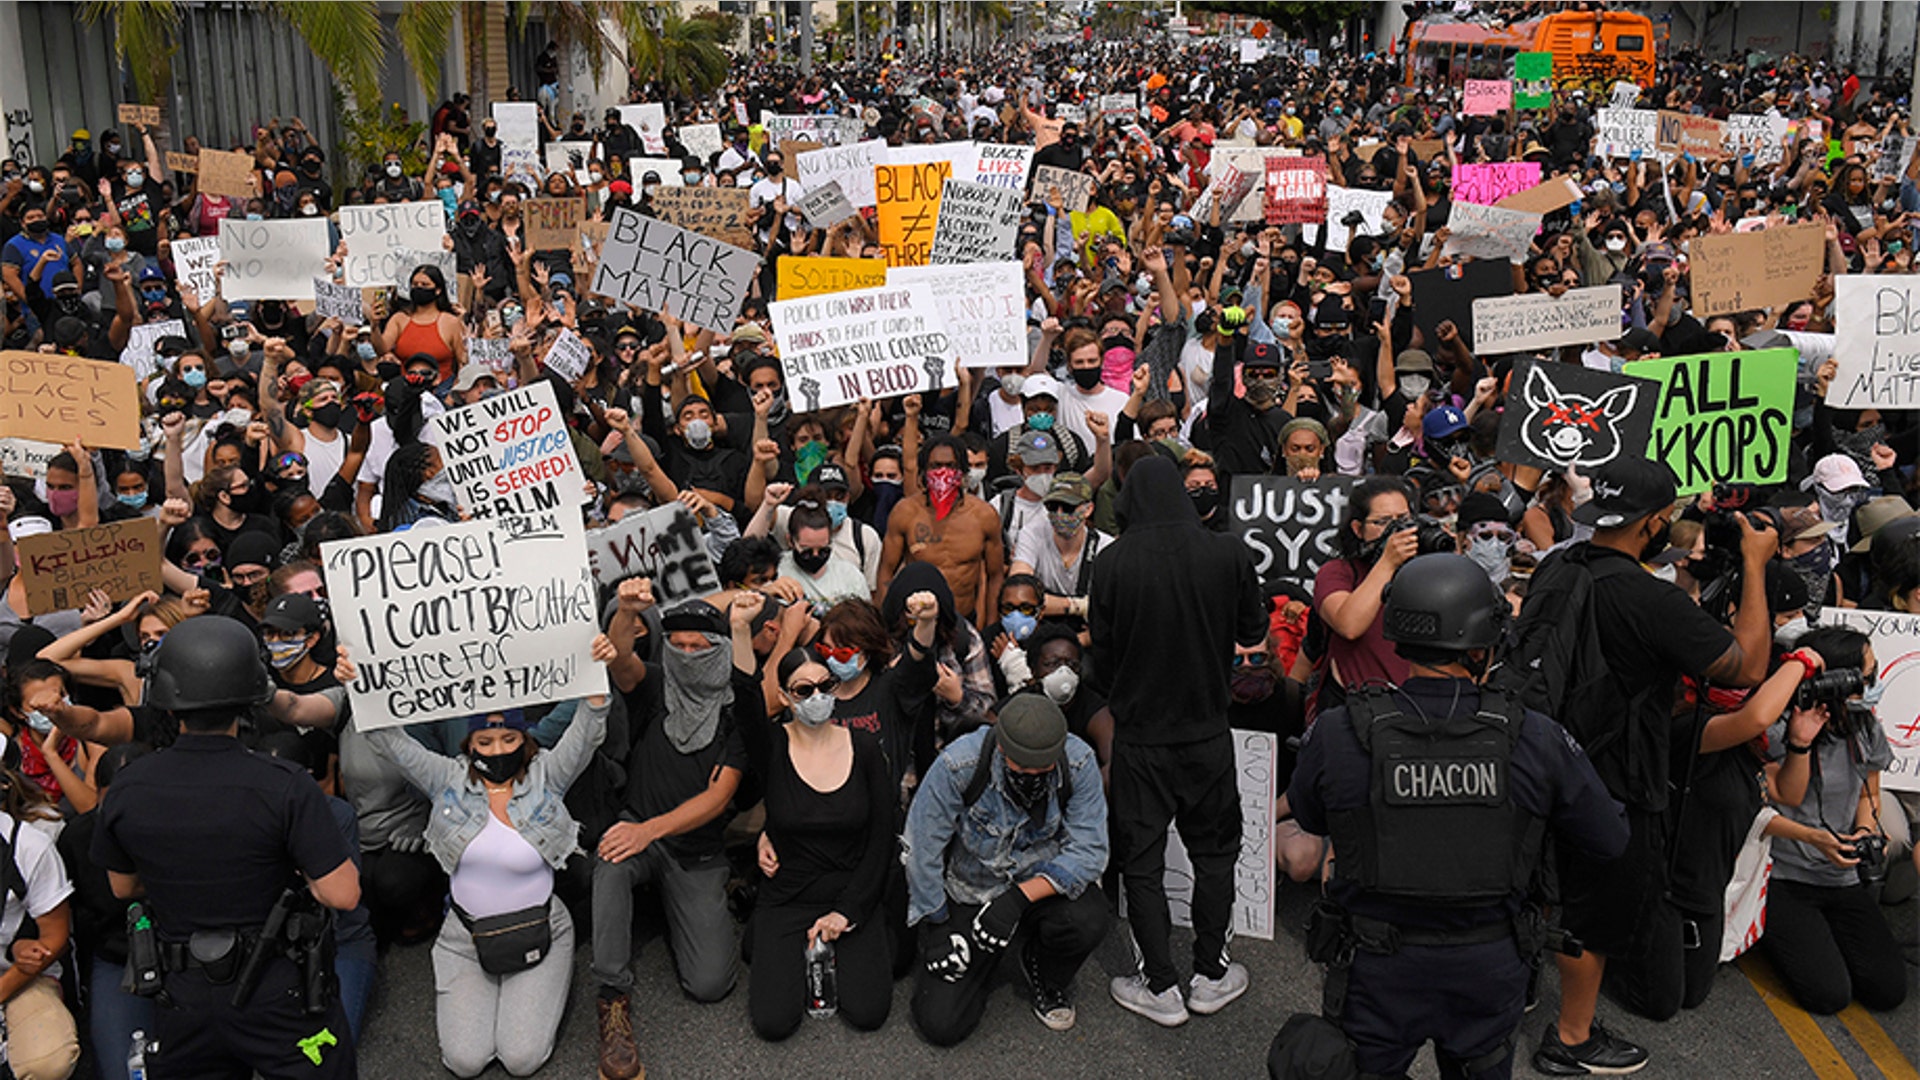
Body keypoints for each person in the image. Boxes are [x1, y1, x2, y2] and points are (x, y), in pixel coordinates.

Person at [1278, 553, 1628, 1080]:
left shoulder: (1338, 730)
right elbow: (1609, 838)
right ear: (1486, 641)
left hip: (1376, 965)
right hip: (1488, 966)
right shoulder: (1534, 735)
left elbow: (1308, 814)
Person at [1512, 457, 1774, 1076]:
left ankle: (1518, 987)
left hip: (1545, 756)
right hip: (1617, 778)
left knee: (1545, 888)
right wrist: (1757, 567)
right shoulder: (1649, 598)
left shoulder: (1558, 565)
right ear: (1654, 523)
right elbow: (1746, 666)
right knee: (1594, 912)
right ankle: (1571, 1039)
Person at [87, 616, 360, 1078]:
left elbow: (122, 887)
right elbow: (342, 894)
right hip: (278, 987)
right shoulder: (284, 785)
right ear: (250, 694)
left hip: (181, 991)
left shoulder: (129, 786)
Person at [351, 635, 612, 1078]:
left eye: (508, 738)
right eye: (485, 741)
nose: (497, 750)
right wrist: (360, 684)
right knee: (465, 1061)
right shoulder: (445, 779)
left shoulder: (548, 775)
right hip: (465, 937)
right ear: (470, 744)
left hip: (539, 928)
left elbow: (588, 728)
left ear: (523, 739)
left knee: (521, 1059)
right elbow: (389, 741)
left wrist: (597, 677)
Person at [1092, 455, 1266, 1026]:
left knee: (1141, 864)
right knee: (1215, 855)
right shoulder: (1228, 552)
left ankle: (1160, 984)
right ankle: (1211, 974)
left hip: (1140, 739)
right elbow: (1252, 631)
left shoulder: (1112, 561)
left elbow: (1105, 656)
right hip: (1208, 735)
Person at [593, 593, 767, 1080]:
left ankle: (678, 907)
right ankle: (612, 999)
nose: (688, 655)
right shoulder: (656, 685)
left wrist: (651, 830)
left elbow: (718, 798)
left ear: (719, 647)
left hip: (697, 851)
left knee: (710, 984)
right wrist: (627, 611)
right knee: (610, 862)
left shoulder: (737, 710)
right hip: (639, 829)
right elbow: (623, 660)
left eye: (700, 646)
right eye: (679, 645)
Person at [904, 693, 1109, 1045]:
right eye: (1020, 767)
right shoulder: (959, 764)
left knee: (1089, 918)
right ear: (1000, 749)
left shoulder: (1079, 763)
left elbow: (1090, 851)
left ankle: (1042, 969)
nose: (1031, 776)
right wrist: (936, 924)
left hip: (1039, 886)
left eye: (1042, 770)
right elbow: (921, 848)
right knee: (941, 1024)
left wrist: (1016, 900)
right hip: (973, 888)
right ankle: (986, 958)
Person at [1757, 625, 1908, 1016]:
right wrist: (1800, 743)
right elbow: (1773, 804)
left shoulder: (1863, 726)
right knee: (1828, 996)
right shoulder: (1776, 727)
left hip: (1839, 876)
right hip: (1784, 876)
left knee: (1887, 990)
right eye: (1866, 675)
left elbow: (1869, 795)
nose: (1872, 683)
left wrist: (1863, 831)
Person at [749, 647, 897, 1041]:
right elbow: (745, 700)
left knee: (868, 1012)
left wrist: (848, 911)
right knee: (773, 1022)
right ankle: (770, 942)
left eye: (825, 685)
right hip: (788, 894)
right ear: (783, 697)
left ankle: (826, 946)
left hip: (851, 889)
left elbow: (883, 837)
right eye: (803, 690)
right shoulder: (772, 746)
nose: (817, 697)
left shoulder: (864, 746)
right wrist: (743, 631)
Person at [880, 434, 1005, 629]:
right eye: (935, 466)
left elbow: (995, 575)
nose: (943, 473)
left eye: (950, 466)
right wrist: (887, 626)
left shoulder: (984, 515)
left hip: (963, 621)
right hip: (917, 622)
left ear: (963, 471)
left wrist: (990, 626)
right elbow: (886, 573)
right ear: (924, 471)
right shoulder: (905, 513)